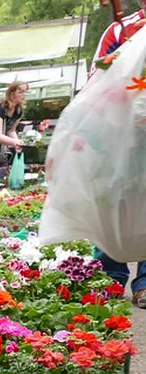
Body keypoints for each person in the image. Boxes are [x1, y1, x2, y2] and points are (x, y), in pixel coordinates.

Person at [90, 0, 146, 308]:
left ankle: (145, 282)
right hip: (121, 129)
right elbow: (97, 73)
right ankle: (111, 277)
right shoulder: (120, 28)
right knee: (113, 201)